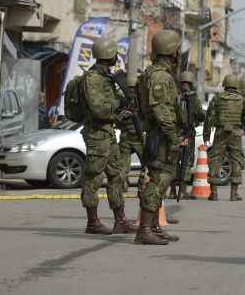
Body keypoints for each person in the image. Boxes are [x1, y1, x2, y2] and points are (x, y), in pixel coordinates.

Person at [79, 37, 137, 235]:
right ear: (109, 55)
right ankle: (92, 222)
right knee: (93, 177)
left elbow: (111, 106)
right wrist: (118, 106)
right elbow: (98, 109)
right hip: (97, 134)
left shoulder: (105, 77)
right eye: (114, 55)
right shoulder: (92, 79)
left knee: (116, 175)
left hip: (108, 132)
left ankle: (120, 220)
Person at [136, 29, 187, 245]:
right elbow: (161, 111)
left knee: (163, 180)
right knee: (158, 181)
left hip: (161, 134)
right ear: (172, 52)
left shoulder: (155, 73)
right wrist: (174, 137)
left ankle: (154, 226)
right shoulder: (160, 76)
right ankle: (145, 230)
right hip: (161, 137)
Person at [204, 74, 245, 201]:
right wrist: (242, 127)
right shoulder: (242, 99)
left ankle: (213, 193)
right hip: (235, 133)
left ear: (225, 84)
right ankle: (234, 194)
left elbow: (209, 116)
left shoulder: (218, 98)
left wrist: (206, 135)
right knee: (236, 159)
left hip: (220, 132)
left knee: (215, 158)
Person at [168, 71, 205, 201]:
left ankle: (172, 190)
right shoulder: (194, 99)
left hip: (175, 133)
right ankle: (182, 190)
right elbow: (200, 115)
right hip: (188, 134)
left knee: (173, 160)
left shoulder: (174, 97)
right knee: (187, 161)